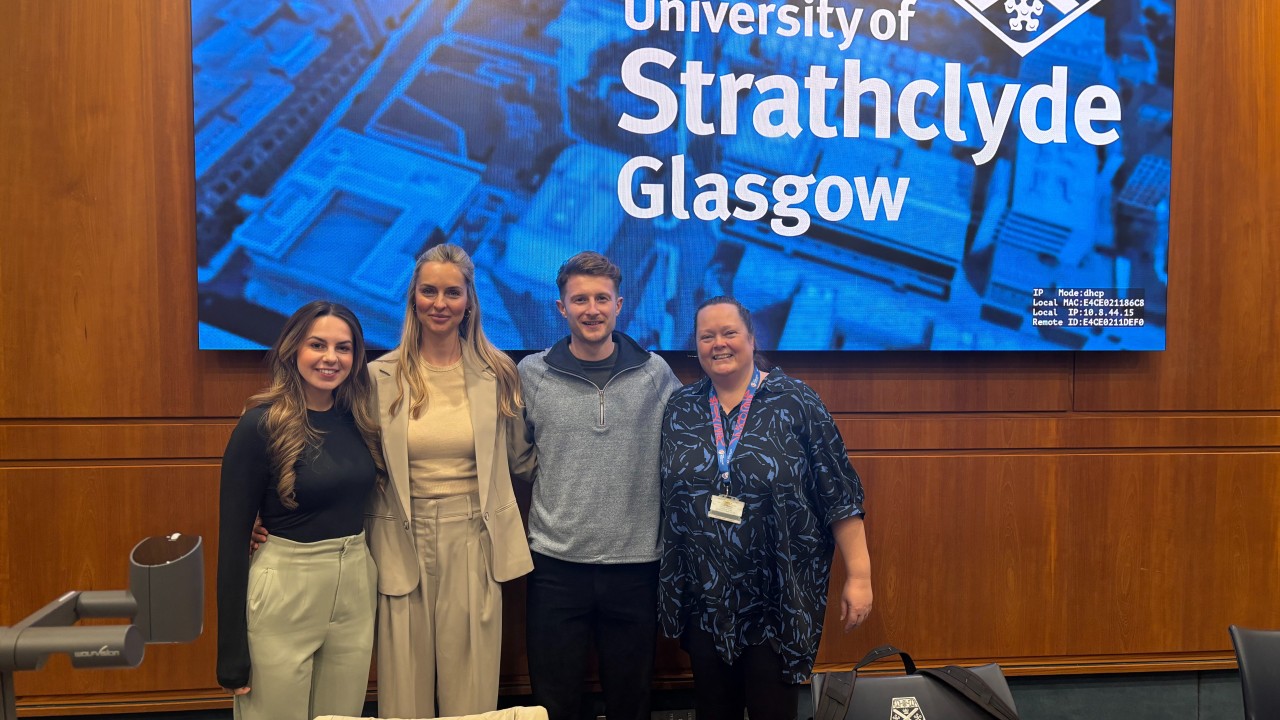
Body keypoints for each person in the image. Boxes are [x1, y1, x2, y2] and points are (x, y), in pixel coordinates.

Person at [658, 296, 873, 720]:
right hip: (705, 598)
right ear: (696, 345)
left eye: (729, 333)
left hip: (777, 598)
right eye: (707, 336)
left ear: (752, 339)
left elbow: (840, 495)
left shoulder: (797, 402)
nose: (719, 344)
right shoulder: (680, 409)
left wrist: (860, 576)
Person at [365, 243, 536, 718]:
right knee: (403, 695)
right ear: (413, 298)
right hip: (400, 540)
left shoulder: (499, 373)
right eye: (429, 291)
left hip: (475, 540)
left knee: (472, 693)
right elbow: (350, 467)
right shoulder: (377, 377)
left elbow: (524, 460)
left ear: (469, 301)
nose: (439, 303)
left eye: (452, 292)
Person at [516, 251, 681, 720]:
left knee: (631, 701)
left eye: (602, 298)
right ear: (561, 308)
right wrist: (561, 479)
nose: (592, 309)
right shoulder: (531, 374)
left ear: (619, 304)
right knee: (555, 700)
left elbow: (677, 454)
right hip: (555, 563)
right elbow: (518, 453)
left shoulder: (656, 375)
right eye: (580, 299)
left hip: (635, 565)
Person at [216, 300, 384, 720]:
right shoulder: (260, 424)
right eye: (318, 345)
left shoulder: (360, 418)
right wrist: (230, 651)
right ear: (293, 350)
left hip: (355, 586)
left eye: (343, 348)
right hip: (285, 588)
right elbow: (232, 543)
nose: (331, 358)